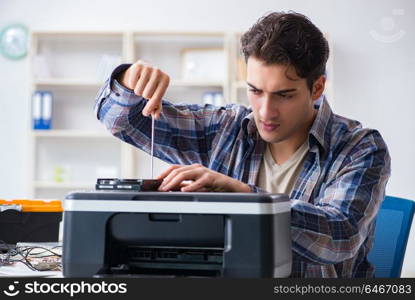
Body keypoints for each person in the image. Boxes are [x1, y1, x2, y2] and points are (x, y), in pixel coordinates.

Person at [94, 11, 391, 277]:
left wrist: (243, 196)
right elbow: (124, 122)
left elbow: (339, 236)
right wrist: (128, 80)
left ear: (317, 87)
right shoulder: (226, 129)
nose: (265, 112)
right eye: (255, 91)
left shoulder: (360, 148)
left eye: (283, 95)